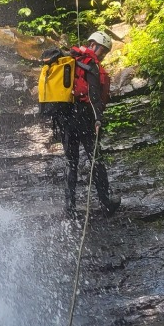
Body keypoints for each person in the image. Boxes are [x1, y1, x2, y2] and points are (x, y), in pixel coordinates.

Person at [54, 30, 121, 215]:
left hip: (66, 117)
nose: (103, 55)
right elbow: (93, 95)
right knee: (96, 160)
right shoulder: (90, 63)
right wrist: (98, 118)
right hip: (84, 117)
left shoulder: (71, 58)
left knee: (71, 162)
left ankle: (70, 207)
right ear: (93, 45)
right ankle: (106, 203)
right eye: (103, 50)